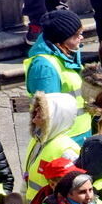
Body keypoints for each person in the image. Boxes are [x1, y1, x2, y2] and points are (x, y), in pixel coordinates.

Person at [25, 10, 90, 143]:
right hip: (64, 141)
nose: (81, 38)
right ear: (61, 40)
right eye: (77, 35)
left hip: (79, 135)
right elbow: (48, 113)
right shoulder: (44, 67)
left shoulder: (68, 55)